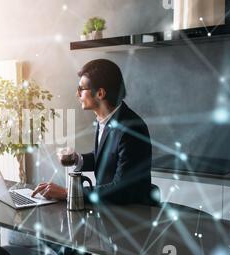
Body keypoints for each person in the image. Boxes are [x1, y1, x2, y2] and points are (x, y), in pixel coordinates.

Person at [32, 59, 156, 205]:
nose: (77, 94)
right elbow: (107, 158)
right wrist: (77, 159)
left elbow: (121, 189)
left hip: (130, 216)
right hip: (108, 211)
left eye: (81, 89)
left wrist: (68, 192)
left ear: (100, 93)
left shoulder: (131, 129)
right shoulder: (104, 119)